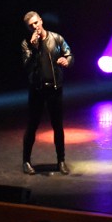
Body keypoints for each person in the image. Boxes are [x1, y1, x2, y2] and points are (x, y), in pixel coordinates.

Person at [21, 11, 73, 175]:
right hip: (37, 90)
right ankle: (26, 161)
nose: (35, 27)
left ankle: (61, 161)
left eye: (36, 23)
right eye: (31, 25)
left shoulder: (56, 38)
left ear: (41, 21)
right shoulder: (27, 44)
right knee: (32, 126)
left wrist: (66, 61)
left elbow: (69, 54)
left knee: (57, 126)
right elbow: (27, 66)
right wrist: (34, 48)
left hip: (54, 89)